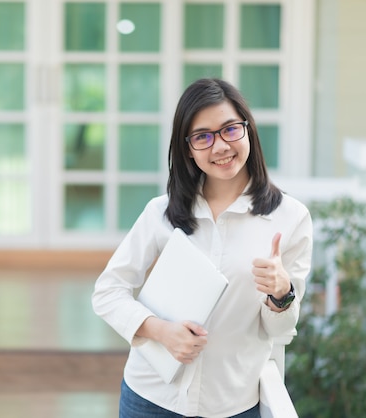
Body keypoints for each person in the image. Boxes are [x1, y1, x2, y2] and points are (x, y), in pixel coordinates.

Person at [91, 78, 313, 418]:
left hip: (231, 404)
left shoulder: (290, 218)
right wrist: (160, 331)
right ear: (188, 149)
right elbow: (108, 291)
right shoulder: (160, 212)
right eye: (203, 137)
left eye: (229, 130)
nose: (220, 146)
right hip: (150, 399)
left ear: (248, 130)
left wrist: (281, 293)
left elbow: (281, 332)